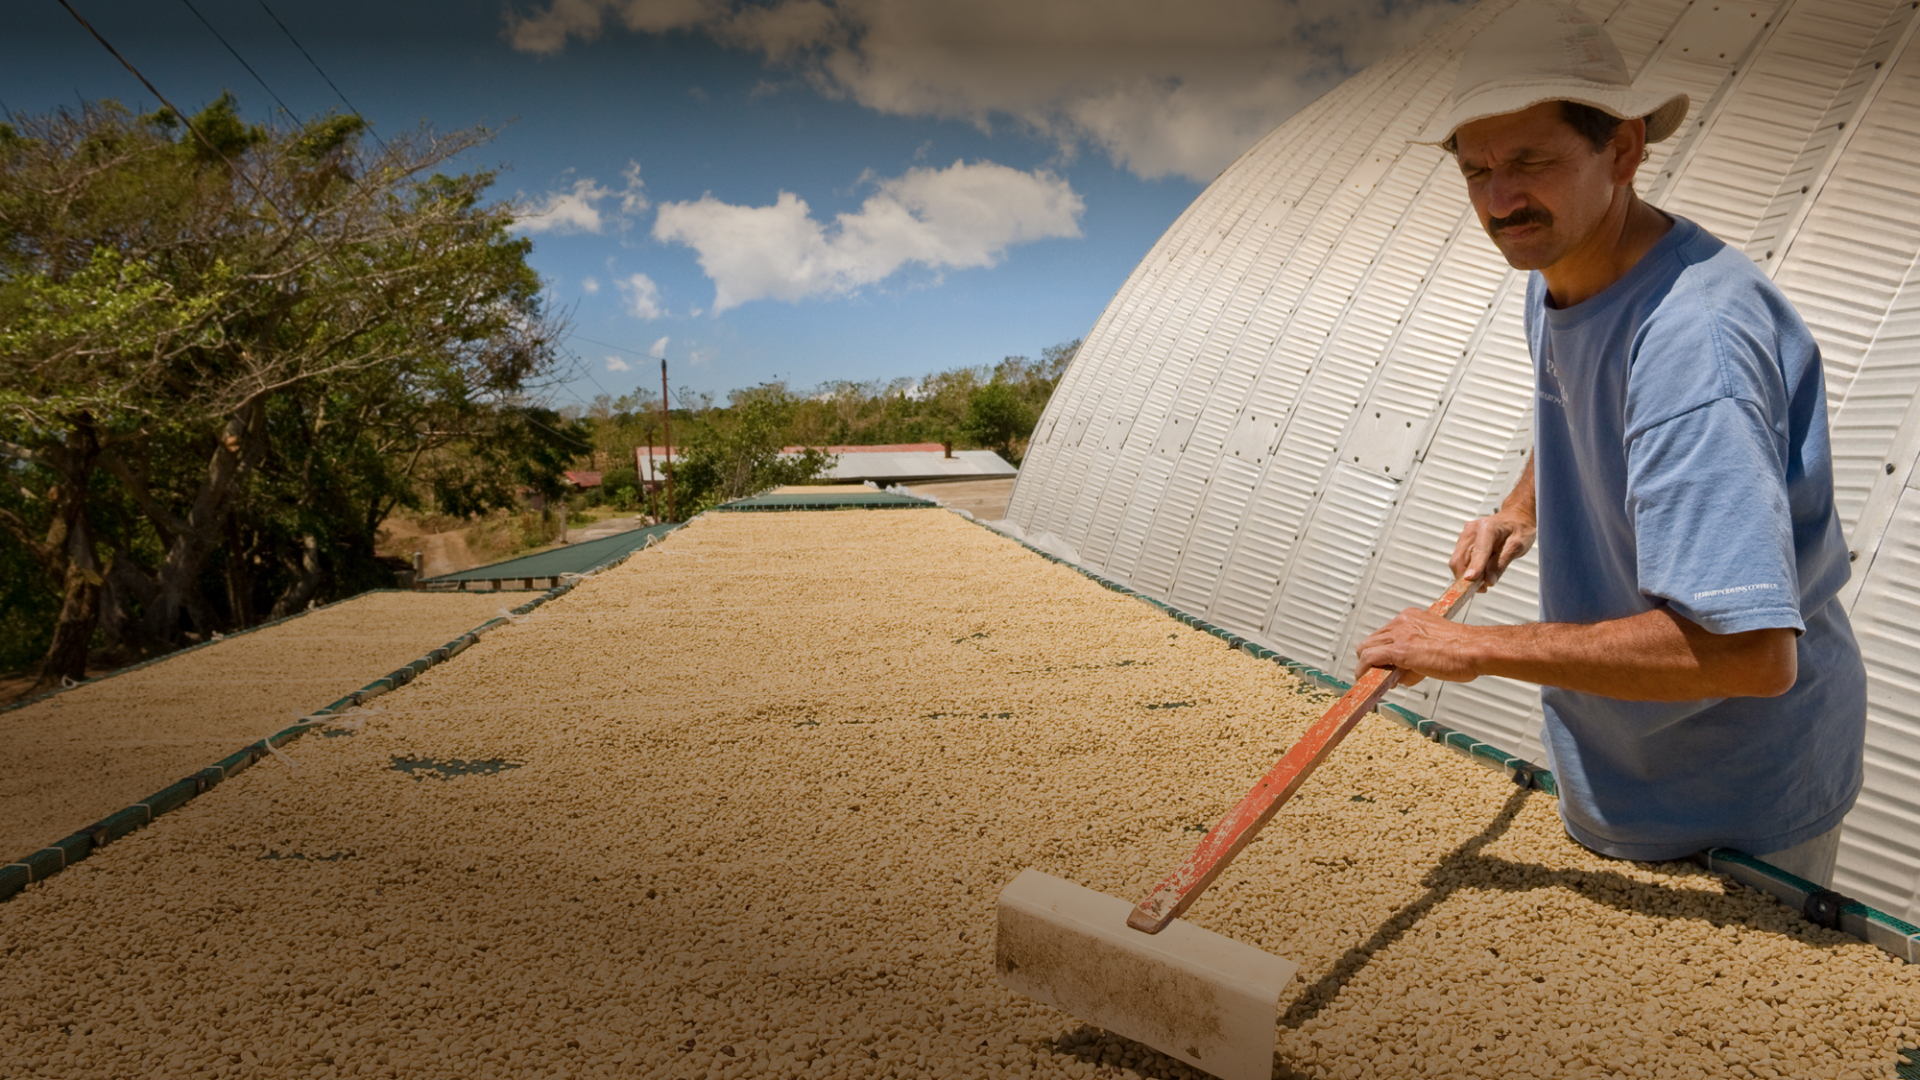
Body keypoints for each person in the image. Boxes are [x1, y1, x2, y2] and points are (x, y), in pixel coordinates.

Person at [1354, 1, 1867, 889]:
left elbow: (1749, 653)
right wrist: (1520, 511)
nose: (1499, 201)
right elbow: (1573, 403)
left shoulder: (1693, 347)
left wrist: (1472, 649)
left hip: (1736, 810)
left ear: (1623, 150)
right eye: (1476, 170)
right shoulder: (1560, 269)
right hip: (1630, 767)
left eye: (1529, 161)